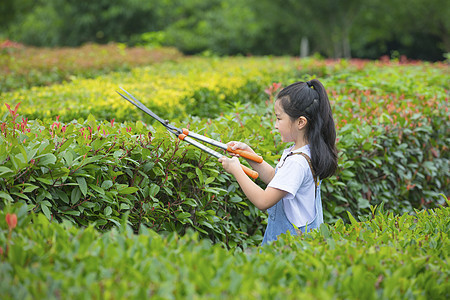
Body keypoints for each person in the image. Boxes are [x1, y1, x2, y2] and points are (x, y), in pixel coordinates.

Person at [219, 79, 338, 245]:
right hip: (300, 244)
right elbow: (277, 179)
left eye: (279, 119)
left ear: (301, 122)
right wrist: (248, 153)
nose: (275, 125)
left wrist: (236, 170)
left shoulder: (297, 162)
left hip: (287, 247)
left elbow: (263, 201)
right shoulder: (305, 152)